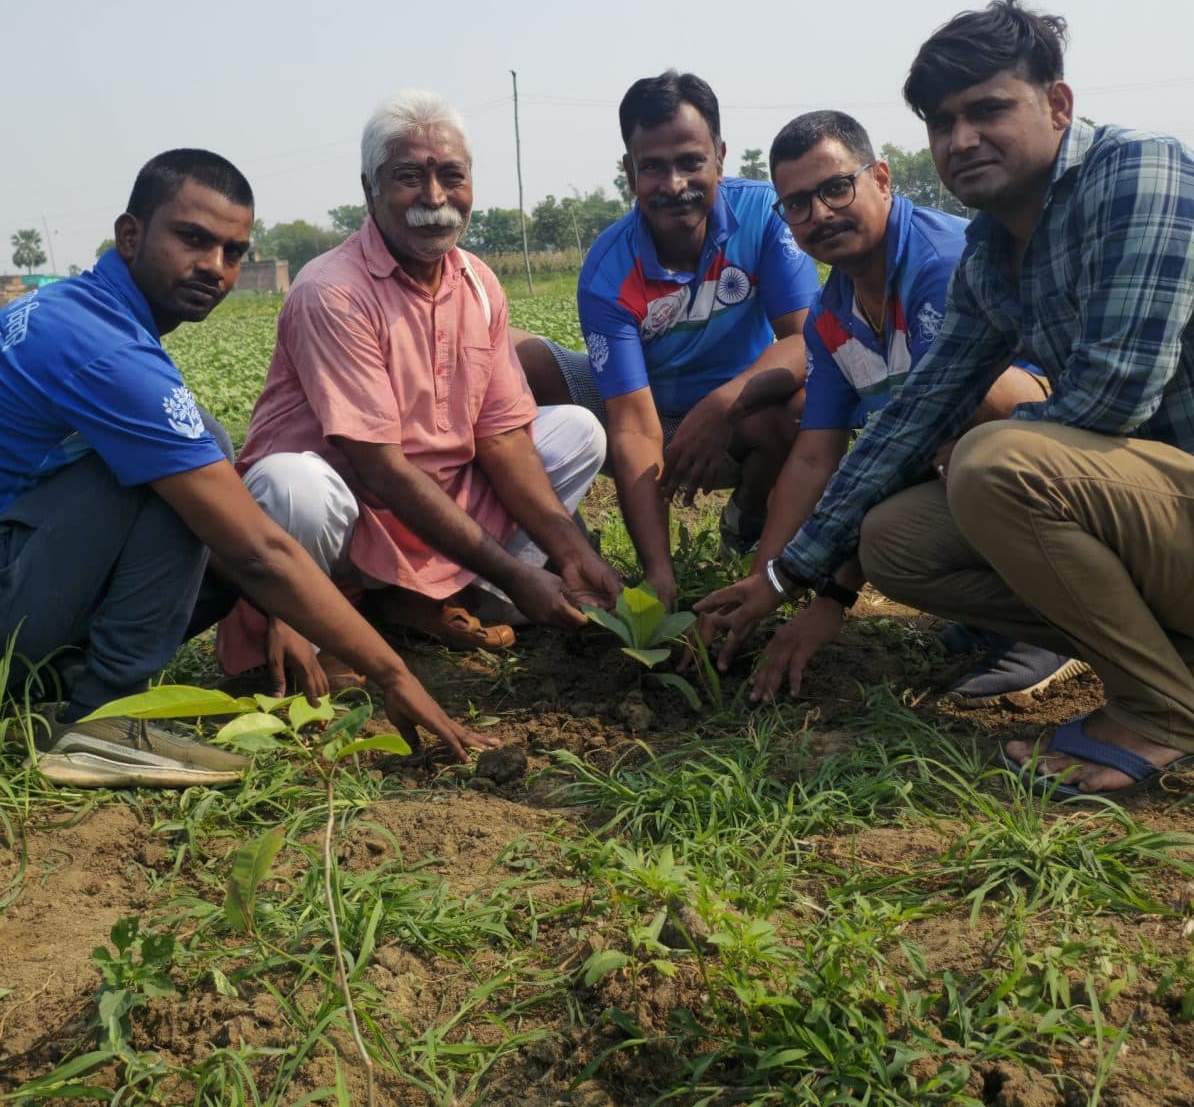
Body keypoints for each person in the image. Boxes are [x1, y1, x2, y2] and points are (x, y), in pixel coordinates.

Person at [702, 0, 1194, 801]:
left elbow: (1117, 392)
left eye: (988, 109)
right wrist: (787, 577)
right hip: (1157, 518)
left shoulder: (1138, 174)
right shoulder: (993, 252)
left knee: (992, 458)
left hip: (1168, 497)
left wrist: (971, 461)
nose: (961, 140)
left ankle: (1161, 710)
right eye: (942, 121)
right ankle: (1168, 657)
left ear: (1058, 104)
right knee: (898, 539)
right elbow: (910, 416)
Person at [0, 150, 482, 786]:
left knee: (204, 443)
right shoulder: (105, 351)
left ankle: (72, 691)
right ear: (130, 235)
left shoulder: (70, 309)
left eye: (233, 252)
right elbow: (255, 548)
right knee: (178, 478)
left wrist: (281, 612)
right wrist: (393, 674)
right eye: (192, 239)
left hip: (24, 567)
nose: (215, 268)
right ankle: (101, 721)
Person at [217, 92, 620, 682]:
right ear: (369, 188)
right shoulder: (332, 291)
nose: (434, 198)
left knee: (577, 432)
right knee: (292, 485)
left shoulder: (478, 283)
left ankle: (434, 601)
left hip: (438, 503)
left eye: (450, 175)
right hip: (352, 515)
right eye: (409, 176)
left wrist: (573, 553)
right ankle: (320, 627)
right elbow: (380, 468)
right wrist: (515, 573)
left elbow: (504, 439)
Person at [696, 107, 1074, 706]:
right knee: (890, 535)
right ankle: (1012, 610)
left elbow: (918, 435)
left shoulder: (942, 264)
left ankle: (1059, 622)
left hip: (1071, 458)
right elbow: (814, 459)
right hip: (965, 469)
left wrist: (829, 598)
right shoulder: (830, 316)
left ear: (881, 179)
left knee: (970, 423)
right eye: (797, 204)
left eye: (836, 188)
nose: (819, 214)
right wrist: (760, 584)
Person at [516, 70, 817, 609]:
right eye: (652, 167)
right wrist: (659, 574)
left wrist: (724, 403)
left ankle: (748, 518)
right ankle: (566, 539)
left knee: (801, 402)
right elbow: (632, 423)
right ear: (629, 171)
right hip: (638, 403)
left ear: (720, 157)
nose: (674, 184)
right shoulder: (610, 269)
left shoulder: (765, 216)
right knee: (516, 356)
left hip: (738, 407)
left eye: (690, 162)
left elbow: (805, 340)